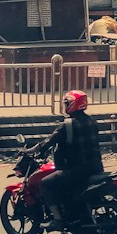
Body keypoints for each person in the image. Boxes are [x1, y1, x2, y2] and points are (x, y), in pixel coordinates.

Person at [33, 90, 104, 224]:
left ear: (72, 104)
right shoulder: (92, 122)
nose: (65, 106)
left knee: (45, 184)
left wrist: (37, 150)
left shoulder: (67, 125)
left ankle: (58, 219)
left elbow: (49, 141)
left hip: (75, 169)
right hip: (96, 167)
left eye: (66, 103)